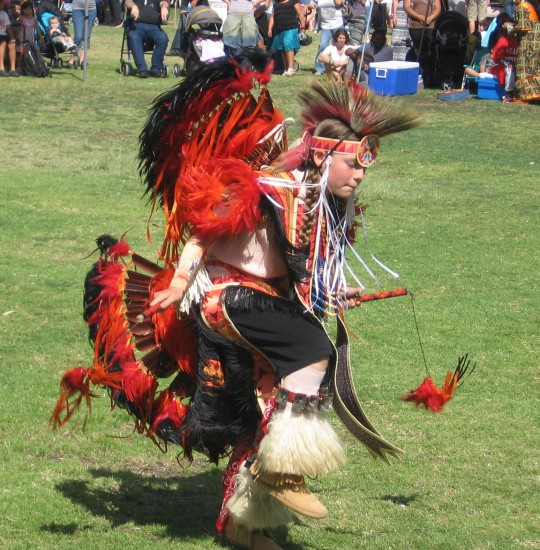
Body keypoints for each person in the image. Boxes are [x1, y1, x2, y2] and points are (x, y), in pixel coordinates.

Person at [51, 50, 419, 550]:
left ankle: (246, 526)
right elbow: (201, 236)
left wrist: (333, 292)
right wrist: (179, 283)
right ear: (321, 155)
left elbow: (293, 274)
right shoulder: (266, 188)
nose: (359, 178)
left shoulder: (319, 209)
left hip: (258, 306)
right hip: (228, 301)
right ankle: (284, 470)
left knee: (260, 410)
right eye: (352, 166)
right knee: (314, 350)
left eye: (363, 170)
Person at [125, 0, 170, 78]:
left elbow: (163, 2)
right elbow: (127, 2)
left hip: (154, 26)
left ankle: (156, 68)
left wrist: (164, 7)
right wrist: (133, 6)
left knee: (163, 38)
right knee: (134, 37)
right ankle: (142, 68)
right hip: (135, 25)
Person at [403, 0, 442, 85]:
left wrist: (430, 18)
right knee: (419, 49)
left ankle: (429, 76)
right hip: (415, 26)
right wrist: (418, 16)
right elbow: (406, 7)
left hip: (430, 26)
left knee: (430, 49)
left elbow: (438, 8)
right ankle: (416, 75)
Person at [268, 0, 306, 76]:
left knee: (288, 45)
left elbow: (300, 14)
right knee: (282, 48)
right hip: (279, 29)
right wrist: (269, 28)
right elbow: (272, 16)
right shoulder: (276, 4)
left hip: (291, 28)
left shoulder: (293, 2)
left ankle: (291, 68)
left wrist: (303, 27)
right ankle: (286, 68)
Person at [513, 0, 540, 102]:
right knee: (533, 69)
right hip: (536, 41)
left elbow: (522, 26)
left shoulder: (522, 6)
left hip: (528, 42)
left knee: (524, 69)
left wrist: (508, 26)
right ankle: (534, 95)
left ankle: (523, 98)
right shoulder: (529, 5)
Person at [312, 0, 345, 75]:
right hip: (325, 26)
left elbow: (338, 3)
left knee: (340, 45)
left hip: (338, 24)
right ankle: (319, 68)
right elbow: (311, 5)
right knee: (323, 45)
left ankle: (341, 66)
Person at [71, 0, 97, 67]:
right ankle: (72, 56)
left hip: (91, 9)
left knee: (86, 36)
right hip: (77, 8)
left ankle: (82, 59)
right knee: (78, 36)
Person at [0, 0, 18, 76]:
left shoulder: (4, 13)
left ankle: (12, 69)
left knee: (12, 44)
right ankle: (1, 68)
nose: (2, 5)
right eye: (1, 3)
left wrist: (12, 38)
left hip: (3, 34)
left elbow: (8, 26)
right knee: (3, 43)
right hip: (1, 37)